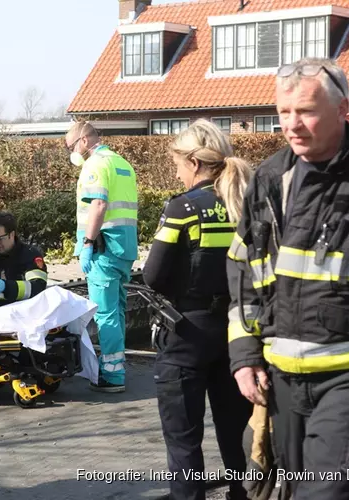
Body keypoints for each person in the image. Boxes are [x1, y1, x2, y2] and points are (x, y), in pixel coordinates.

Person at [227, 57, 349, 500]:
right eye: (284, 112)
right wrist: (245, 354)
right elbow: (245, 269)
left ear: (343, 110)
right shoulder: (269, 178)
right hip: (283, 385)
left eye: (306, 111)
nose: (292, 124)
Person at [142, 119, 252, 500]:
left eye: (176, 164)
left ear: (192, 162)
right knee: (238, 429)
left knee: (184, 436)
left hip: (187, 332)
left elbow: (153, 276)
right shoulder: (246, 201)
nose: (176, 172)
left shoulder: (183, 208)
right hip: (239, 330)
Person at [65, 122, 138, 393]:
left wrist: (86, 243)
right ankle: (117, 366)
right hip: (124, 247)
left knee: (105, 313)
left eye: (72, 146)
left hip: (103, 248)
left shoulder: (95, 165)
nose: (72, 151)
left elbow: (98, 204)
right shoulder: (122, 163)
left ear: (84, 140)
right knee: (117, 311)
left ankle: (111, 375)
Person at [0, 211, 47, 308]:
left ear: (12, 234)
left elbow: (38, 286)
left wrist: (7, 287)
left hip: (23, 312)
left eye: (0, 238)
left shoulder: (30, 255)